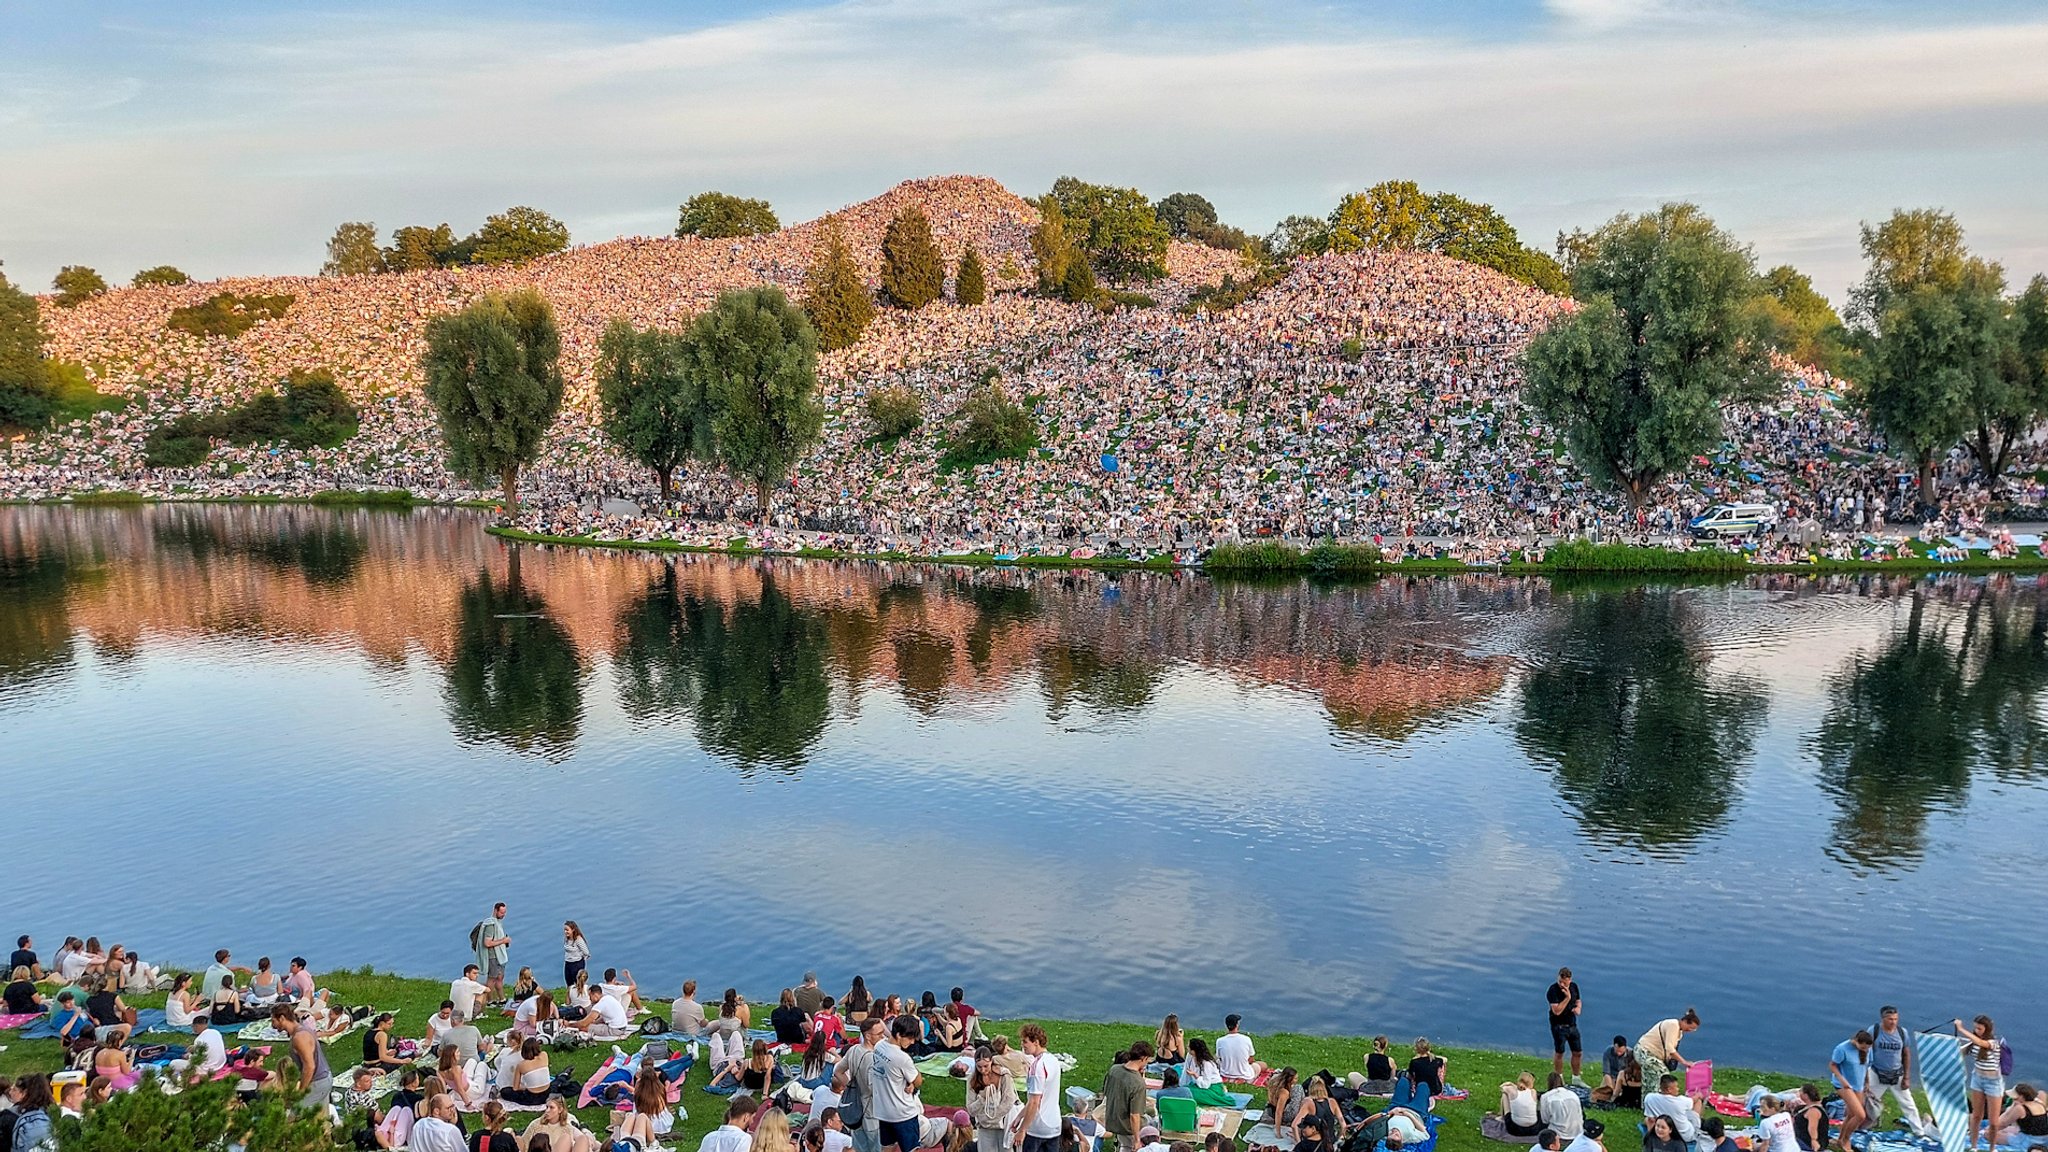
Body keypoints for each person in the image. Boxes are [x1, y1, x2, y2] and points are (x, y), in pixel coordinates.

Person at [1865, 1007, 1929, 1139]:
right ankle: (1862, 1127)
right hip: (1877, 1073)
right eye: (1890, 1019)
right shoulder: (1874, 1031)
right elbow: (1866, 1052)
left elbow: (1906, 1054)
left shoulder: (1902, 1032)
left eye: (1895, 1019)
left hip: (1897, 1074)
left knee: (1908, 1104)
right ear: (1883, 1019)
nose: (1893, 1022)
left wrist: (1906, 1076)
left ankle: (1919, 1132)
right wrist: (1865, 1077)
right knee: (1869, 1103)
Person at [877, 1015, 928, 1152]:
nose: (912, 1042)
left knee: (887, 1147)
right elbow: (918, 1081)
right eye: (910, 1038)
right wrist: (912, 1076)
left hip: (883, 1111)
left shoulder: (879, 1046)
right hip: (903, 1114)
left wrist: (907, 1080)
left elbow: (891, 1074)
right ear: (899, 1035)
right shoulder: (902, 1058)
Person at [1955, 1016, 2004, 1152]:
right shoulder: (1973, 1043)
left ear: (1987, 1029)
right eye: (1975, 1028)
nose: (1977, 1031)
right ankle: (1974, 1146)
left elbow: (1981, 1043)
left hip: (1993, 1082)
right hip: (1977, 1079)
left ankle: (1992, 1148)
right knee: (1976, 1115)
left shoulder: (1993, 1043)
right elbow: (1958, 1052)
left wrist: (1961, 1029)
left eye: (1980, 1029)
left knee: (1994, 1122)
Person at [273, 1002, 333, 1110]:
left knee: (294, 1115)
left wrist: (301, 1092)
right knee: (320, 1119)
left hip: (317, 1082)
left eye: (273, 1021)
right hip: (323, 1079)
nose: (272, 1025)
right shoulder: (301, 1031)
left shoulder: (300, 1037)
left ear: (282, 1018)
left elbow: (309, 1066)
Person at [1013, 1024, 1061, 1152]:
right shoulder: (1053, 1060)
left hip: (1037, 1128)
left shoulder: (1037, 1067)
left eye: (1025, 1041)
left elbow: (1034, 1101)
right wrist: (1019, 1116)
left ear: (1036, 1042)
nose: (1022, 1045)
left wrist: (1022, 1130)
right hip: (1054, 1124)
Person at [1103, 1042, 1152, 1152]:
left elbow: (1106, 1092)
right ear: (1143, 1058)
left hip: (1112, 1119)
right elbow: (1134, 1115)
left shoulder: (1114, 1069)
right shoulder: (1137, 1083)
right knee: (1151, 1124)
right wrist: (1137, 1139)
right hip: (1127, 1127)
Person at [1829, 1032, 1874, 1150]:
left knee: (1852, 1114)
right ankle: (1846, 1139)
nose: (1865, 1050)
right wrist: (1842, 1080)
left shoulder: (1868, 1049)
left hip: (1858, 1085)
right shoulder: (1842, 1049)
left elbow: (1866, 1066)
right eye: (1863, 1047)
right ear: (1857, 1041)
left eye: (1867, 1048)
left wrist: (1867, 1082)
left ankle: (1840, 1139)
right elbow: (1833, 1065)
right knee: (1860, 1115)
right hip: (1844, 1085)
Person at [1634, 1011, 1700, 1086]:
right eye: (1691, 1027)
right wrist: (1684, 1062)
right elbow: (1669, 1048)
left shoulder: (1679, 1032)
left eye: (1693, 1029)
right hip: (1645, 1052)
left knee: (1652, 1081)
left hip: (1652, 1055)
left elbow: (1670, 1051)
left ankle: (1649, 1096)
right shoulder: (1673, 1025)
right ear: (1684, 1021)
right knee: (1663, 1075)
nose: (1690, 1030)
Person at [1643, 1075, 1702, 1152]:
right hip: (1685, 1136)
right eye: (1676, 1087)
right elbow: (1693, 1100)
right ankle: (1697, 1126)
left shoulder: (1649, 1098)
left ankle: (1652, 1137)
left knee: (1647, 1119)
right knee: (1698, 1102)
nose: (1678, 1089)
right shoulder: (1681, 1101)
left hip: (1664, 1130)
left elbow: (1651, 1119)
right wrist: (1698, 1095)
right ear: (1669, 1089)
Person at [1548, 969, 1584, 1080]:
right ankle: (1559, 1078)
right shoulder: (1553, 990)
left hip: (1572, 1024)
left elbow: (1578, 1000)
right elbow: (1557, 1011)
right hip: (1558, 1026)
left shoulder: (1574, 987)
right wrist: (1567, 998)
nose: (1562, 985)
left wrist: (1578, 1008)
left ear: (1570, 980)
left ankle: (1576, 1078)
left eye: (1565, 982)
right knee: (1560, 1053)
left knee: (1577, 1052)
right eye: (1560, 982)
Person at [475, 903, 512, 1004]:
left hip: (500, 956)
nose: (503, 915)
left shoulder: (498, 922)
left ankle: (502, 999)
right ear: (495, 910)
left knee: (500, 977)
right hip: (493, 956)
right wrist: (503, 941)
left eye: (504, 912)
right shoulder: (490, 925)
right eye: (501, 912)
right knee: (492, 978)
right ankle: (489, 1000)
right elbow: (487, 943)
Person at [9, 1075, 54, 1152]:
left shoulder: (10, 1115)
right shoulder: (52, 1112)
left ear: (24, 1093)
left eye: (14, 1090)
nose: (10, 1093)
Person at [1296, 1076, 1345, 1146]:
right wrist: (1339, 1138)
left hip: (1314, 1142)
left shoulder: (1308, 1102)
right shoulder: (1332, 1102)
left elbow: (1295, 1125)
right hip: (1330, 1141)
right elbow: (1343, 1125)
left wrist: (1299, 1143)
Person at [1998, 1084, 2048, 1150]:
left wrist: (2012, 1106)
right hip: (2043, 1139)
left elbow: (2001, 1123)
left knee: (1989, 1135)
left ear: (2021, 1097)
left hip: (2028, 1141)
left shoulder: (2020, 1108)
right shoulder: (2039, 1103)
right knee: (2007, 1130)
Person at [1540, 1072, 1584, 1140]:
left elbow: (1545, 1120)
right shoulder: (1573, 1094)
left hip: (1558, 1133)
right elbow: (1580, 1114)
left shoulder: (1545, 1097)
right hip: (1577, 1132)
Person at [1216, 1016, 1260, 1082]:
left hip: (1225, 1074)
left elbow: (1220, 1058)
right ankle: (1248, 1079)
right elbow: (1251, 1059)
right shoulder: (1246, 1039)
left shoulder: (1220, 1041)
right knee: (1260, 1066)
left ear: (1226, 1026)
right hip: (1244, 1074)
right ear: (1237, 1025)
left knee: (1217, 1061)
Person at [1499, 1072, 1542, 1138]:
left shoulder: (1511, 1090)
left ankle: (1501, 1117)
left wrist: (1510, 1084)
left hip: (1515, 1130)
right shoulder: (1533, 1092)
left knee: (1505, 1094)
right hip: (1534, 1129)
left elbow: (1501, 1088)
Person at [562, 923, 590, 989]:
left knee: (578, 983)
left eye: (567, 930)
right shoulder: (566, 939)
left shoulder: (578, 940)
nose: (565, 932)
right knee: (569, 982)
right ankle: (570, 996)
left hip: (577, 964)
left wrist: (578, 956)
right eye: (564, 930)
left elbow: (586, 952)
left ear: (573, 930)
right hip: (568, 963)